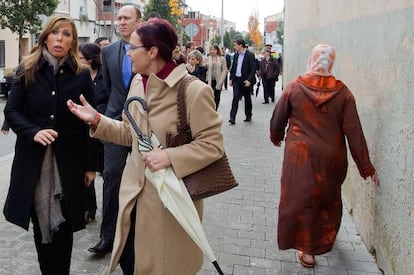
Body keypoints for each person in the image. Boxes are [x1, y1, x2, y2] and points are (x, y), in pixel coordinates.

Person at [67, 18, 224, 275]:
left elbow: (213, 145)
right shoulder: (140, 82)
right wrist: (97, 119)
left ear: (152, 52)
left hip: (170, 202)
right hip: (134, 197)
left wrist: (170, 156)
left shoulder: (193, 91)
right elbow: (131, 134)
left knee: (165, 267)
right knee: (131, 262)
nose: (127, 53)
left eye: (133, 47)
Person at [269, 44, 380, 268]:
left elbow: (278, 118)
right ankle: (323, 238)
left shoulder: (294, 87)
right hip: (332, 158)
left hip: (299, 156)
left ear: (311, 60)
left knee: (298, 199)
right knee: (327, 198)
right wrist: (367, 167)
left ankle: (307, 251)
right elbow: (355, 132)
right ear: (331, 63)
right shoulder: (344, 93)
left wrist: (276, 135)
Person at [3, 15, 98, 274]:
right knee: (40, 229)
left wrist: (91, 166)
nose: (60, 38)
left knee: (65, 231)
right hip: (33, 166)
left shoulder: (80, 74)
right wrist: (32, 131)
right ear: (46, 36)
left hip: (70, 166)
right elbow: (11, 111)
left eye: (66, 34)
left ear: (72, 41)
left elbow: (92, 122)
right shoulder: (28, 68)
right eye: (55, 32)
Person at [89, 4, 142, 256]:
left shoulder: (150, 50)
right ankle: (107, 237)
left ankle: (137, 234)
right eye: (118, 18)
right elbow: (107, 89)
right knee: (111, 178)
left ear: (138, 21)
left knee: (144, 182)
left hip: (144, 129)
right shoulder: (108, 51)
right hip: (114, 125)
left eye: (126, 18)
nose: (121, 22)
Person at [79, 42, 109, 224]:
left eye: (80, 58)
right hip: (85, 130)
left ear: (90, 60)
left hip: (105, 129)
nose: (77, 60)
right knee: (86, 168)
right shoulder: (78, 77)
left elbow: (112, 98)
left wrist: (99, 116)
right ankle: (89, 207)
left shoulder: (105, 76)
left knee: (106, 172)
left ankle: (110, 212)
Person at [228, 39, 256, 124]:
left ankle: (248, 115)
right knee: (235, 98)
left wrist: (249, 80)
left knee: (247, 98)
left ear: (240, 45)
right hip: (237, 79)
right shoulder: (236, 55)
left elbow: (253, 69)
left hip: (246, 80)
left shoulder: (250, 55)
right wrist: (231, 79)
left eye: (235, 45)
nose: (234, 47)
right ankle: (232, 118)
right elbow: (233, 67)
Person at [205, 44, 228, 110]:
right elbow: (203, 68)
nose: (213, 51)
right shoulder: (206, 58)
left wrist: (221, 80)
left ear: (217, 50)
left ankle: (215, 111)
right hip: (208, 80)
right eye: (211, 49)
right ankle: (210, 111)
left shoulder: (222, 59)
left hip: (218, 80)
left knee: (217, 97)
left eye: (214, 49)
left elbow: (224, 70)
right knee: (209, 97)